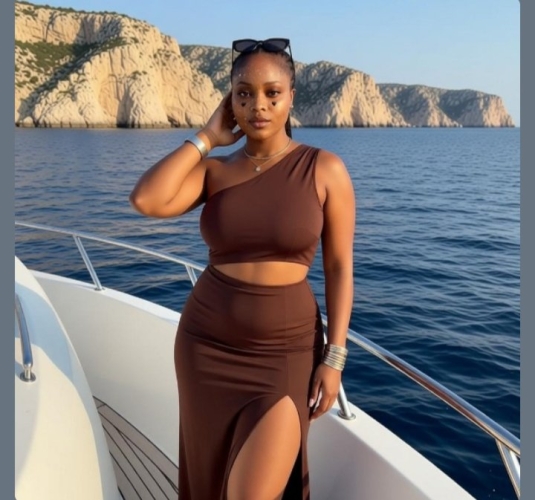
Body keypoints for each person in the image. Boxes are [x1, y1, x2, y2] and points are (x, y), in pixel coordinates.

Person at [129, 37, 356, 500]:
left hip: (284, 351)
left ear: (291, 97)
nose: (259, 106)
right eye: (244, 94)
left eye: (272, 93)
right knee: (207, 473)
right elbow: (146, 199)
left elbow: (338, 267)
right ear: (229, 101)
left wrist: (334, 358)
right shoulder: (214, 171)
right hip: (205, 345)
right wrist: (206, 138)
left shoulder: (323, 168)